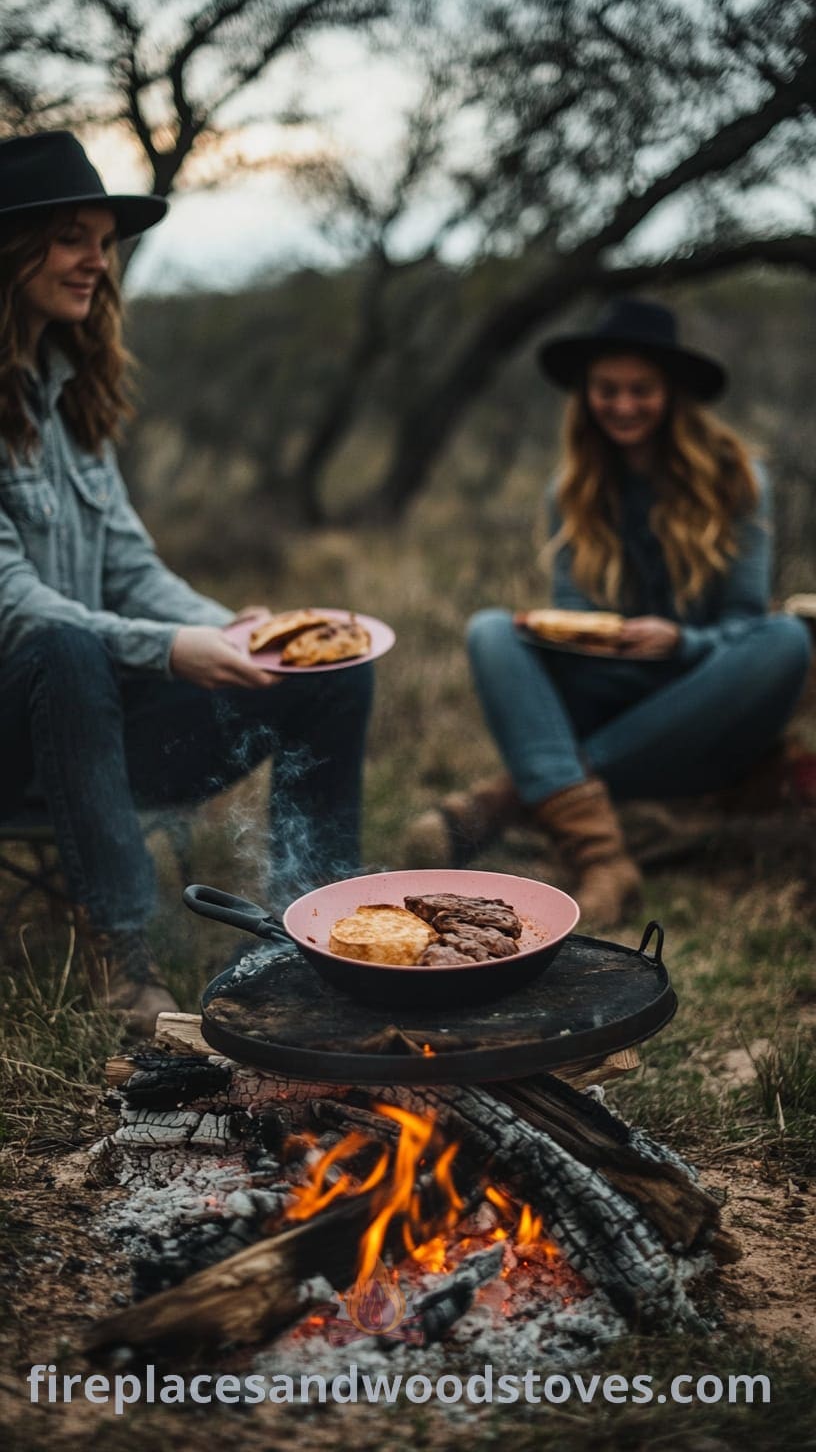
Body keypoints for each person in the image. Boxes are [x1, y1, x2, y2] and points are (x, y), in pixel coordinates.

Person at [0, 132, 373, 1033]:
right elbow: (13, 602)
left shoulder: (67, 391)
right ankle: (125, 959)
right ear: (11, 254)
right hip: (15, 743)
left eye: (103, 238)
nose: (98, 259)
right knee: (64, 645)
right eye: (71, 236)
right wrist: (170, 651)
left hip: (97, 744)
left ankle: (307, 932)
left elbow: (129, 565)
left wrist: (240, 637)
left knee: (328, 670)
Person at [405, 297, 812, 927]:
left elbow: (743, 621)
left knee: (786, 639)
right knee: (490, 630)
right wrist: (569, 637)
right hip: (617, 690)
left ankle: (505, 801)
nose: (623, 405)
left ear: (673, 394)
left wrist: (679, 642)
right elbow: (575, 614)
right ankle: (603, 858)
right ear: (586, 395)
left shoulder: (739, 478)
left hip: (708, 702)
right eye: (607, 390)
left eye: (641, 390)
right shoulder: (571, 488)